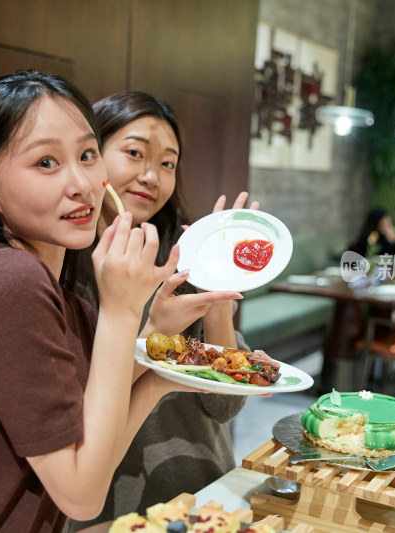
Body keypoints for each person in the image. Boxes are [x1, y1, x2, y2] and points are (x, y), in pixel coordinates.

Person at [0, 71, 201, 533]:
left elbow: (90, 452)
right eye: (46, 163)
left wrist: (159, 360)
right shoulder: (7, 280)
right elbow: (82, 496)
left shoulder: (64, 301)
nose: (82, 184)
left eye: (87, 155)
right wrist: (124, 311)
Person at [66, 91, 258, 530]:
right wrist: (148, 332)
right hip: (103, 508)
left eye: (168, 163)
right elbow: (68, 418)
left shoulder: (182, 262)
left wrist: (216, 300)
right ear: (90, 155)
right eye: (134, 153)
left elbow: (225, 410)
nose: (151, 176)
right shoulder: (57, 272)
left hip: (203, 495)